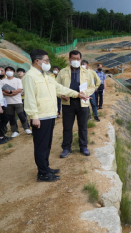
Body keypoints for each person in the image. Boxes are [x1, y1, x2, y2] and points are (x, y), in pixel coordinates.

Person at [23, 49, 90, 182]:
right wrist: (34, 116)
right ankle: (42, 173)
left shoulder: (46, 76)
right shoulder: (30, 76)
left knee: (47, 144)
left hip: (50, 115)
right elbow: (29, 98)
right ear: (37, 61)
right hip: (40, 117)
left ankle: (46, 167)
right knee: (41, 146)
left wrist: (77, 94)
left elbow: (60, 89)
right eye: (46, 60)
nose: (48, 63)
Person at [56, 50, 95, 158]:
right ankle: (66, 148)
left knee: (83, 126)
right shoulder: (62, 72)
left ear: (81, 60)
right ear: (69, 59)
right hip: (68, 103)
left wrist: (85, 93)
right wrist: (61, 95)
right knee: (67, 126)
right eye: (73, 58)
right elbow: (56, 87)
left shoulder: (87, 72)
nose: (75, 61)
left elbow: (92, 86)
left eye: (78, 59)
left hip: (82, 102)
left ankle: (83, 146)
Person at [0, 66, 31, 137]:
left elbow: (20, 90)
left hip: (18, 101)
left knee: (21, 115)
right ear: (5, 72)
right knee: (11, 117)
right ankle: (15, 131)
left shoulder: (18, 80)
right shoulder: (2, 81)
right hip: (8, 103)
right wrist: (11, 93)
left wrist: (10, 92)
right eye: (7, 70)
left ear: (13, 72)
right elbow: (1, 91)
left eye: (10, 70)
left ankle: (26, 128)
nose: (9, 71)